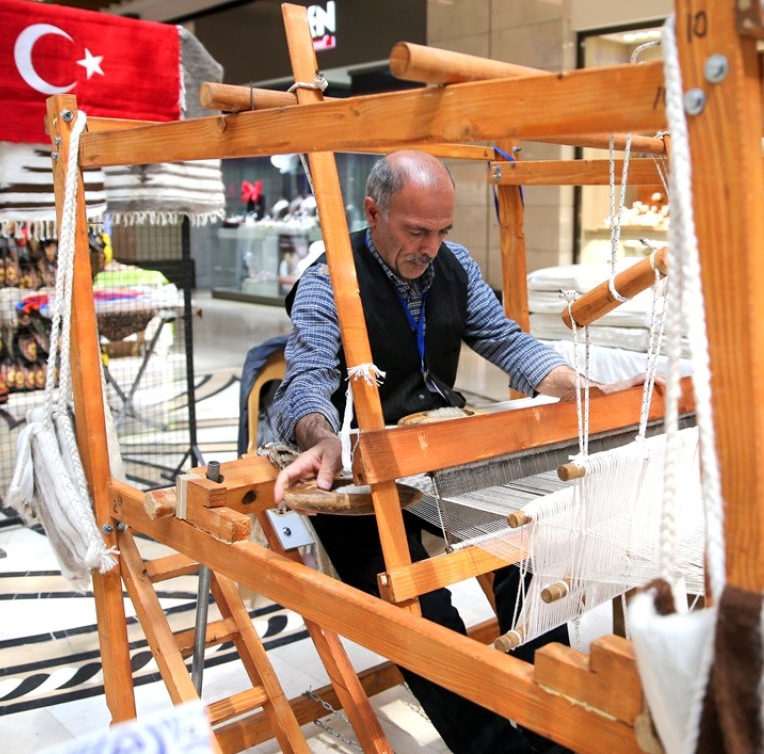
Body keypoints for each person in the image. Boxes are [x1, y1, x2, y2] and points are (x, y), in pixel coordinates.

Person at [272, 150, 643, 754]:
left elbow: (502, 339)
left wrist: (574, 385)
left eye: (443, 231)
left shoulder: (455, 266)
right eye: (416, 231)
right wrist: (321, 441)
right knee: (419, 609)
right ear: (373, 211)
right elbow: (306, 376)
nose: (431, 247)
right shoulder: (329, 279)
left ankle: (554, 727)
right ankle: (497, 748)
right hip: (354, 465)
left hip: (434, 440)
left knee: (525, 553)